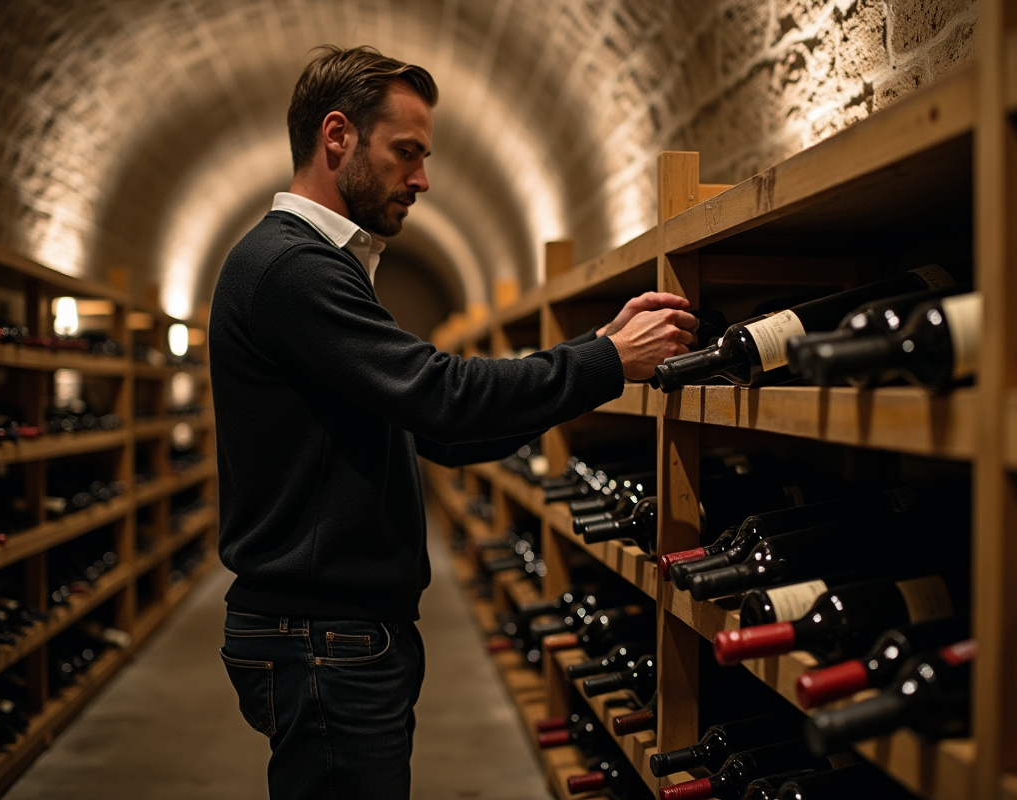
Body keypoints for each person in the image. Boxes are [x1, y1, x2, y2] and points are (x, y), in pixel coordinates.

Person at [209, 44, 695, 800]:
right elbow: (443, 396)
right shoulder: (291, 267)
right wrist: (603, 362)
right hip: (321, 637)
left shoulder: (318, 266)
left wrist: (596, 357)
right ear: (337, 137)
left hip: (332, 634)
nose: (423, 179)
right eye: (406, 153)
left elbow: (439, 430)